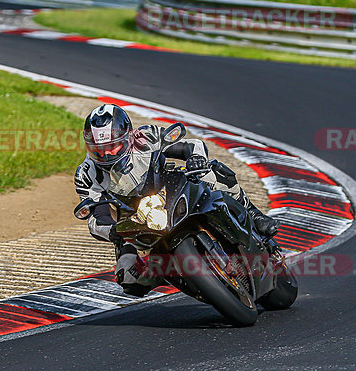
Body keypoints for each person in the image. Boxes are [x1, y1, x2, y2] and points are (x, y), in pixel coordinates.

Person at [74, 104, 279, 297]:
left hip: (172, 187)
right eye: (98, 148)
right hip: (133, 220)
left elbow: (189, 145)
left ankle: (253, 213)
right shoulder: (86, 174)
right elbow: (96, 215)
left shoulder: (145, 137)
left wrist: (196, 158)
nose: (106, 153)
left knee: (213, 172)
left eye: (112, 145)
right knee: (128, 279)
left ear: (127, 137)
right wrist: (112, 231)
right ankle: (183, 278)